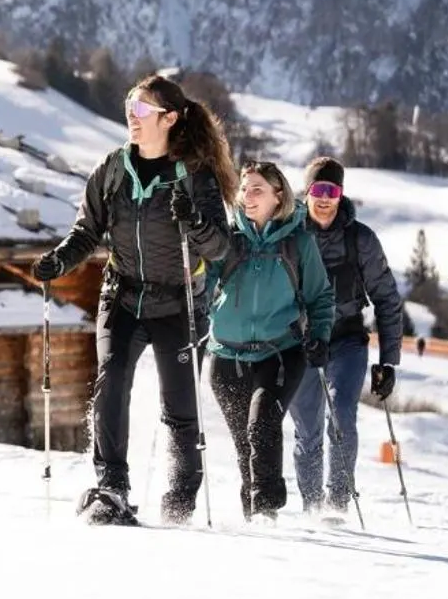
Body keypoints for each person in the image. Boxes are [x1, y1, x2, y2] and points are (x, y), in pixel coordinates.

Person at [33, 72, 235, 524]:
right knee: (111, 381)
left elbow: (221, 247)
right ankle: (112, 488)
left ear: (170, 118)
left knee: (180, 407)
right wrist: (60, 261)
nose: (132, 115)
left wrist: (194, 221)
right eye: (129, 106)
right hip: (122, 296)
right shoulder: (112, 169)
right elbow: (87, 231)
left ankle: (180, 500)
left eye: (142, 108)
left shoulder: (194, 176)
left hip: (179, 304)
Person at [206, 160, 334, 520]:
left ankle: (266, 509)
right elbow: (202, 283)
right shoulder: (228, 239)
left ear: (278, 196)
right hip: (226, 356)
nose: (247, 196)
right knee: (244, 442)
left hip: (279, 352)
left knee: (262, 426)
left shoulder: (299, 243)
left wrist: (320, 336)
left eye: (257, 189)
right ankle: (253, 514)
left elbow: (321, 297)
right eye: (244, 189)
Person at [286, 158, 402, 514]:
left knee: (342, 415)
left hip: (346, 340)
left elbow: (387, 297)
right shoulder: (290, 235)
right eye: (318, 189)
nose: (325, 198)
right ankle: (312, 507)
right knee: (307, 429)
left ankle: (337, 503)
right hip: (302, 343)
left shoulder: (360, 239)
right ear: (307, 192)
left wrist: (388, 362)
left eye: (332, 190)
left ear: (341, 194)